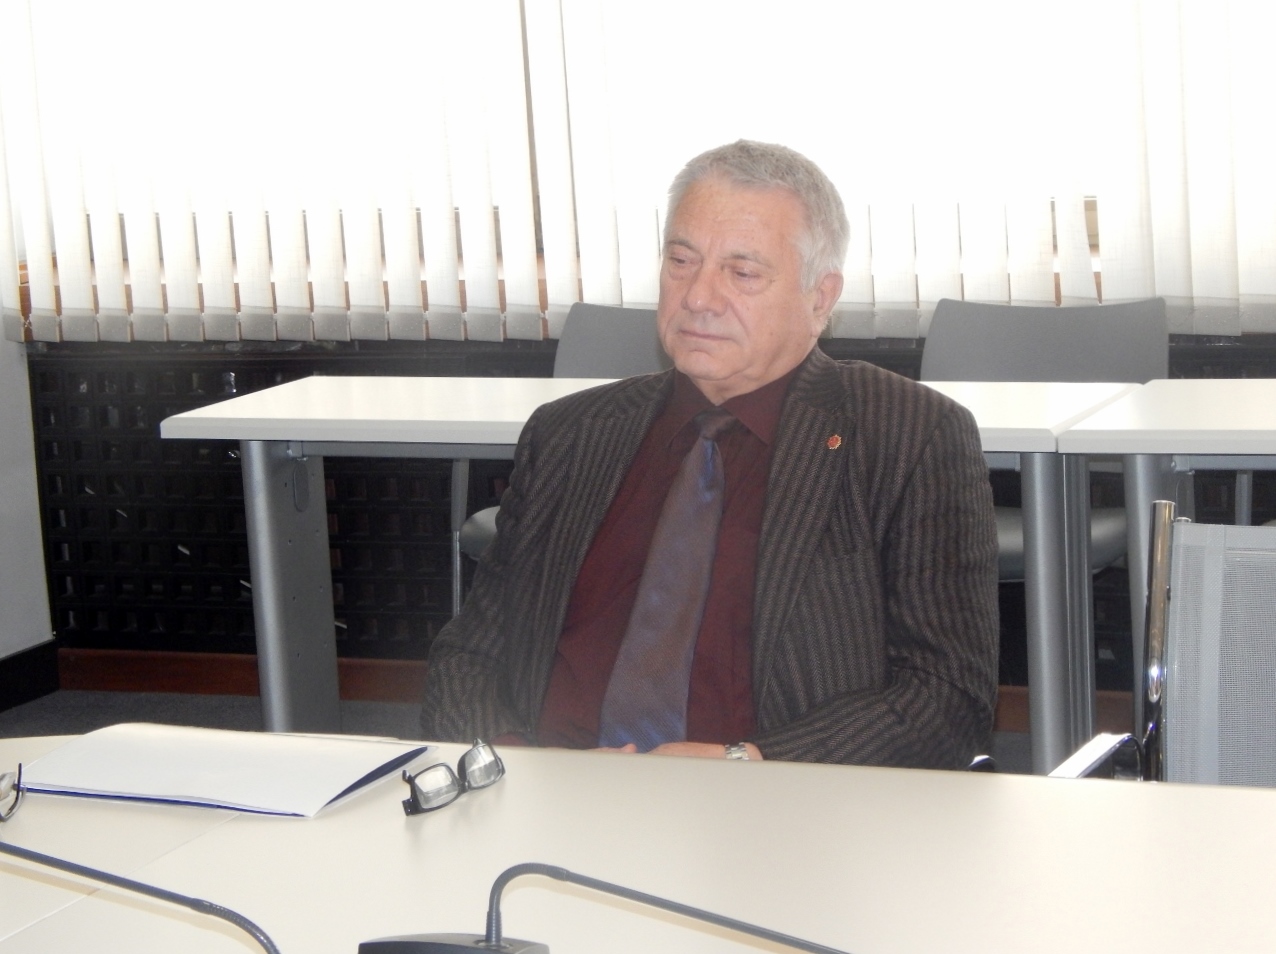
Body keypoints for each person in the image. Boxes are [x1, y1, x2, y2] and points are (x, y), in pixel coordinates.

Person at [421, 140, 998, 767]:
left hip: (768, 805)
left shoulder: (907, 437)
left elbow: (947, 698)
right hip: (545, 790)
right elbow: (470, 655)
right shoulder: (571, 434)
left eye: (741, 273)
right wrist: (512, 766)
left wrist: (747, 763)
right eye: (681, 261)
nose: (698, 295)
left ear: (820, 297)